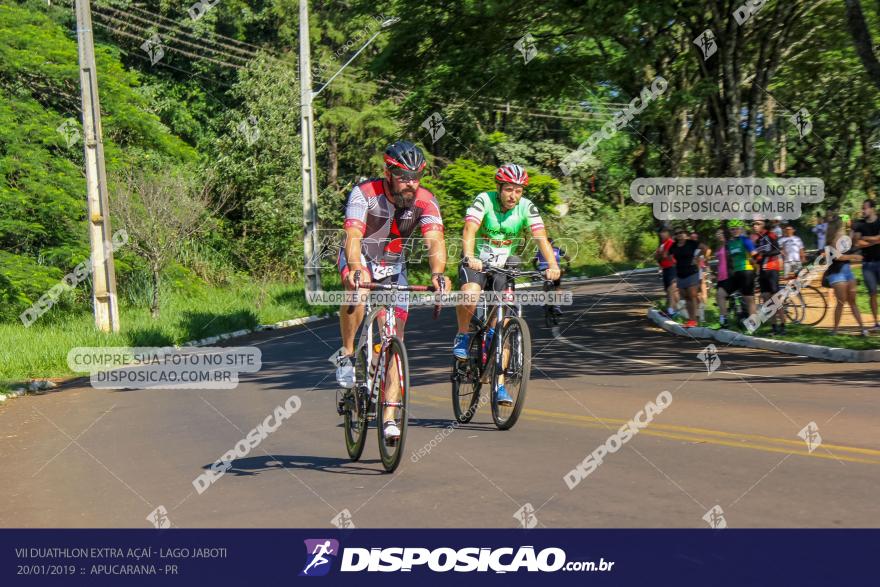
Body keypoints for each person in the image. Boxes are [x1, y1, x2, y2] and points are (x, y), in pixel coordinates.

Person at [336, 140, 447, 441]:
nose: (410, 183)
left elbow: (435, 241)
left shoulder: (425, 201)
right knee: (357, 293)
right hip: (360, 258)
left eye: (416, 176)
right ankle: (347, 355)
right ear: (388, 173)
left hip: (394, 267)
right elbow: (353, 236)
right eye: (403, 176)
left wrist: (438, 274)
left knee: (396, 338)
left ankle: (389, 415)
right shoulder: (364, 194)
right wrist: (356, 268)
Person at [452, 163, 560, 406]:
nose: (513, 196)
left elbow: (541, 238)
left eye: (518, 191)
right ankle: (461, 334)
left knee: (503, 325)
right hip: (478, 262)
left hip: (504, 266)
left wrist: (552, 265)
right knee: (470, 294)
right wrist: (469, 255)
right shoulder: (484, 200)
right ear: (498, 187)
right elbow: (469, 229)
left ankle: (499, 385)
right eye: (509, 189)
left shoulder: (527, 207)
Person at [824, 218, 869, 336]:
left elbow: (853, 242)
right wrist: (854, 257)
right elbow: (838, 257)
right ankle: (835, 330)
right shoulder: (829, 243)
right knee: (841, 302)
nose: (843, 228)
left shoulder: (844, 240)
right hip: (836, 274)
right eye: (841, 227)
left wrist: (854, 229)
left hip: (847, 271)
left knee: (852, 301)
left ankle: (863, 329)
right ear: (835, 229)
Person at [664, 228, 708, 327]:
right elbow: (666, 255)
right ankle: (692, 319)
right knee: (686, 296)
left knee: (692, 294)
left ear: (685, 234)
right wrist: (673, 262)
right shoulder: (673, 246)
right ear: (675, 235)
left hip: (692, 272)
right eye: (677, 233)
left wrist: (699, 258)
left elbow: (705, 248)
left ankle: (694, 319)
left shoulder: (691, 243)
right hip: (680, 274)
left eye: (681, 232)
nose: (679, 234)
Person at [753, 219, 786, 335]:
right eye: (754, 224)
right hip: (762, 272)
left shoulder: (770, 235)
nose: (755, 226)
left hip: (772, 269)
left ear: (763, 225)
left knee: (775, 299)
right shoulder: (758, 240)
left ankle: (783, 326)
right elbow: (757, 257)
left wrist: (763, 255)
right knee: (766, 300)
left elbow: (777, 251)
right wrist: (755, 258)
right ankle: (774, 327)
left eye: (758, 224)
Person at [853, 199, 880, 329]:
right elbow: (857, 243)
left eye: (865, 208)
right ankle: (876, 323)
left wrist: (865, 238)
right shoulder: (859, 224)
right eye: (862, 208)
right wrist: (875, 240)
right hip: (867, 264)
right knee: (872, 293)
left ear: (872, 209)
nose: (863, 210)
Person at [726, 220, 757, 325]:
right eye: (732, 229)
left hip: (747, 271)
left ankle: (753, 324)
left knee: (749, 298)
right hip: (737, 272)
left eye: (737, 228)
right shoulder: (730, 243)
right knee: (741, 297)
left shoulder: (745, 240)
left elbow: (754, 254)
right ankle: (743, 318)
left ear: (741, 229)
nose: (735, 230)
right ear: (730, 230)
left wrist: (757, 267)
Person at [533, 238, 570, 315]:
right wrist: (568, 265)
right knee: (557, 287)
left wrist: (536, 268)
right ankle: (557, 307)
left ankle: (544, 302)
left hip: (543, 270)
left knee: (546, 282)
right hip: (554, 270)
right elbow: (567, 258)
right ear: (553, 244)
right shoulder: (557, 249)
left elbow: (534, 261)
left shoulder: (541, 250)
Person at [655, 228, 679, 317]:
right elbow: (657, 257)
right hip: (665, 268)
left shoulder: (670, 242)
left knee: (671, 289)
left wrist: (660, 254)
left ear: (668, 234)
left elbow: (664, 255)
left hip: (672, 267)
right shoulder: (663, 244)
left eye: (663, 233)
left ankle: (671, 310)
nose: (662, 234)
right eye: (661, 233)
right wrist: (660, 255)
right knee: (671, 291)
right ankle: (676, 309)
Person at [714, 228, 731, 328]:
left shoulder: (728, 245)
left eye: (720, 234)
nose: (718, 235)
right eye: (717, 234)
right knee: (719, 297)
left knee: (720, 295)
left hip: (728, 274)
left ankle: (724, 319)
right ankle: (723, 318)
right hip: (720, 275)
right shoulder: (718, 247)